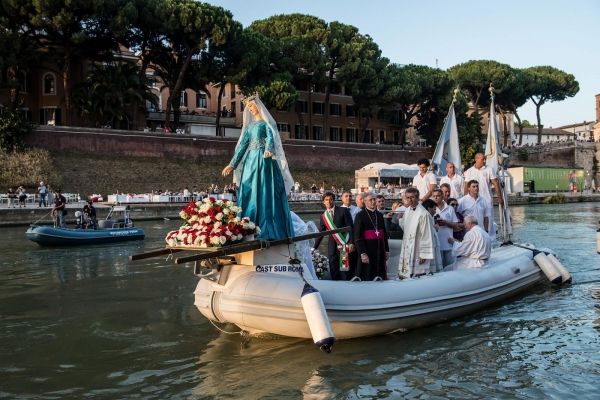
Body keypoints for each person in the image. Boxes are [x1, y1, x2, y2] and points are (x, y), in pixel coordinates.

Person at [222, 94, 294, 240]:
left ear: (258, 106)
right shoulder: (249, 127)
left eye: (251, 105)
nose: (250, 108)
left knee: (266, 190)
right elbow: (242, 145)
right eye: (248, 107)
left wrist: (269, 149)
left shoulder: (266, 123)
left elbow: (271, 137)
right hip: (251, 161)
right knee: (248, 189)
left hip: (264, 160)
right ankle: (247, 225)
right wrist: (232, 164)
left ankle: (267, 227)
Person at [398, 187, 442, 278]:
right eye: (408, 198)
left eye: (413, 197)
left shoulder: (423, 213)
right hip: (408, 246)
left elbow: (427, 234)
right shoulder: (407, 211)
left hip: (418, 249)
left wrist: (424, 254)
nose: (410, 200)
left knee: (420, 274)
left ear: (418, 198)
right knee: (407, 273)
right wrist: (400, 220)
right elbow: (405, 227)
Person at [313, 192, 355, 280]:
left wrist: (351, 242)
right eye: (326, 200)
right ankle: (335, 283)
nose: (329, 202)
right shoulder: (323, 216)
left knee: (344, 267)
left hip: (344, 242)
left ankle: (345, 284)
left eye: (331, 199)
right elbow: (321, 233)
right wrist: (314, 248)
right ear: (323, 202)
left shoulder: (343, 211)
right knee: (333, 265)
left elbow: (350, 227)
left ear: (334, 200)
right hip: (332, 244)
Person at [463, 153, 503, 242]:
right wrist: (466, 199)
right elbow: (466, 186)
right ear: (476, 159)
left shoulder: (489, 169)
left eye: (484, 159)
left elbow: (495, 184)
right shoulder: (469, 171)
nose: (484, 161)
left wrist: (500, 198)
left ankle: (491, 241)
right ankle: (475, 240)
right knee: (474, 220)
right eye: (482, 159)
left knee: (489, 220)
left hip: (486, 199)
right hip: (473, 200)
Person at [354, 192, 389, 281]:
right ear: (365, 202)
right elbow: (358, 236)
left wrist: (387, 250)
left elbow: (384, 234)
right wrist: (362, 253)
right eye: (370, 200)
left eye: (374, 199)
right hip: (367, 249)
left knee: (380, 273)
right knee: (367, 273)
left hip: (380, 249)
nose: (373, 202)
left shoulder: (380, 215)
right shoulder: (360, 216)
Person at [431, 189, 460, 268]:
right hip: (436, 245)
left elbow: (456, 226)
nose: (435, 198)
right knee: (439, 270)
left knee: (451, 268)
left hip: (448, 244)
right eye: (434, 196)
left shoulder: (450, 208)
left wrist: (446, 223)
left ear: (442, 196)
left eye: (437, 196)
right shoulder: (430, 209)